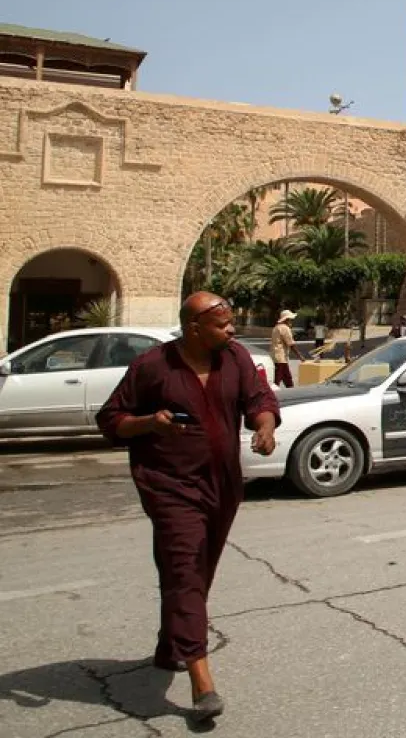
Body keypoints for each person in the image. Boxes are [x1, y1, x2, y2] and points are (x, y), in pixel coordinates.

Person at [95, 292, 280, 725]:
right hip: (170, 487)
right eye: (223, 324)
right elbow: (111, 420)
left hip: (223, 485)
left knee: (198, 571)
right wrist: (149, 422)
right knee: (184, 569)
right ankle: (202, 681)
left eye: (231, 322)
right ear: (193, 328)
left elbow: (260, 401)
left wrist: (265, 427)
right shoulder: (152, 366)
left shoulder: (234, 358)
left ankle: (169, 647)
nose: (232, 330)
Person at [269, 308, 305, 388]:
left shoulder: (276, 327)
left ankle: (290, 392)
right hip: (281, 358)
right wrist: (300, 356)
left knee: (287, 379)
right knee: (278, 380)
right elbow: (291, 344)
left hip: (275, 356)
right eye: (290, 319)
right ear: (287, 319)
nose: (291, 321)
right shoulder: (285, 328)